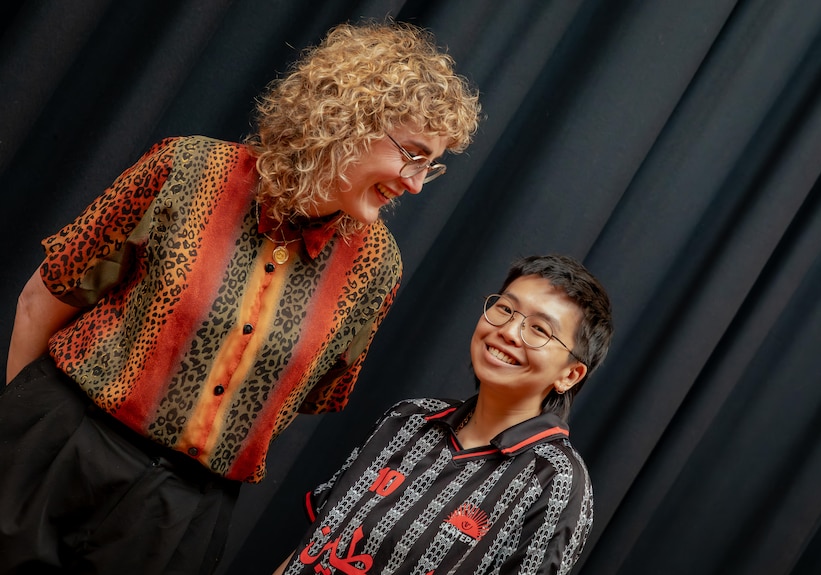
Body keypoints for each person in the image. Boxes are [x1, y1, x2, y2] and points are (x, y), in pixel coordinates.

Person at [0, 20, 480, 575]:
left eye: (431, 166)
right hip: (64, 441)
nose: (417, 183)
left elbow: (307, 394)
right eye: (412, 155)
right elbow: (47, 294)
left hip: (181, 513)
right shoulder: (186, 168)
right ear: (349, 120)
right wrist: (21, 441)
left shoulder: (376, 266)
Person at [272, 254, 613, 575]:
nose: (508, 332)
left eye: (539, 329)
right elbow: (314, 543)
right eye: (506, 309)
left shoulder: (555, 480)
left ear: (569, 375)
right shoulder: (409, 418)